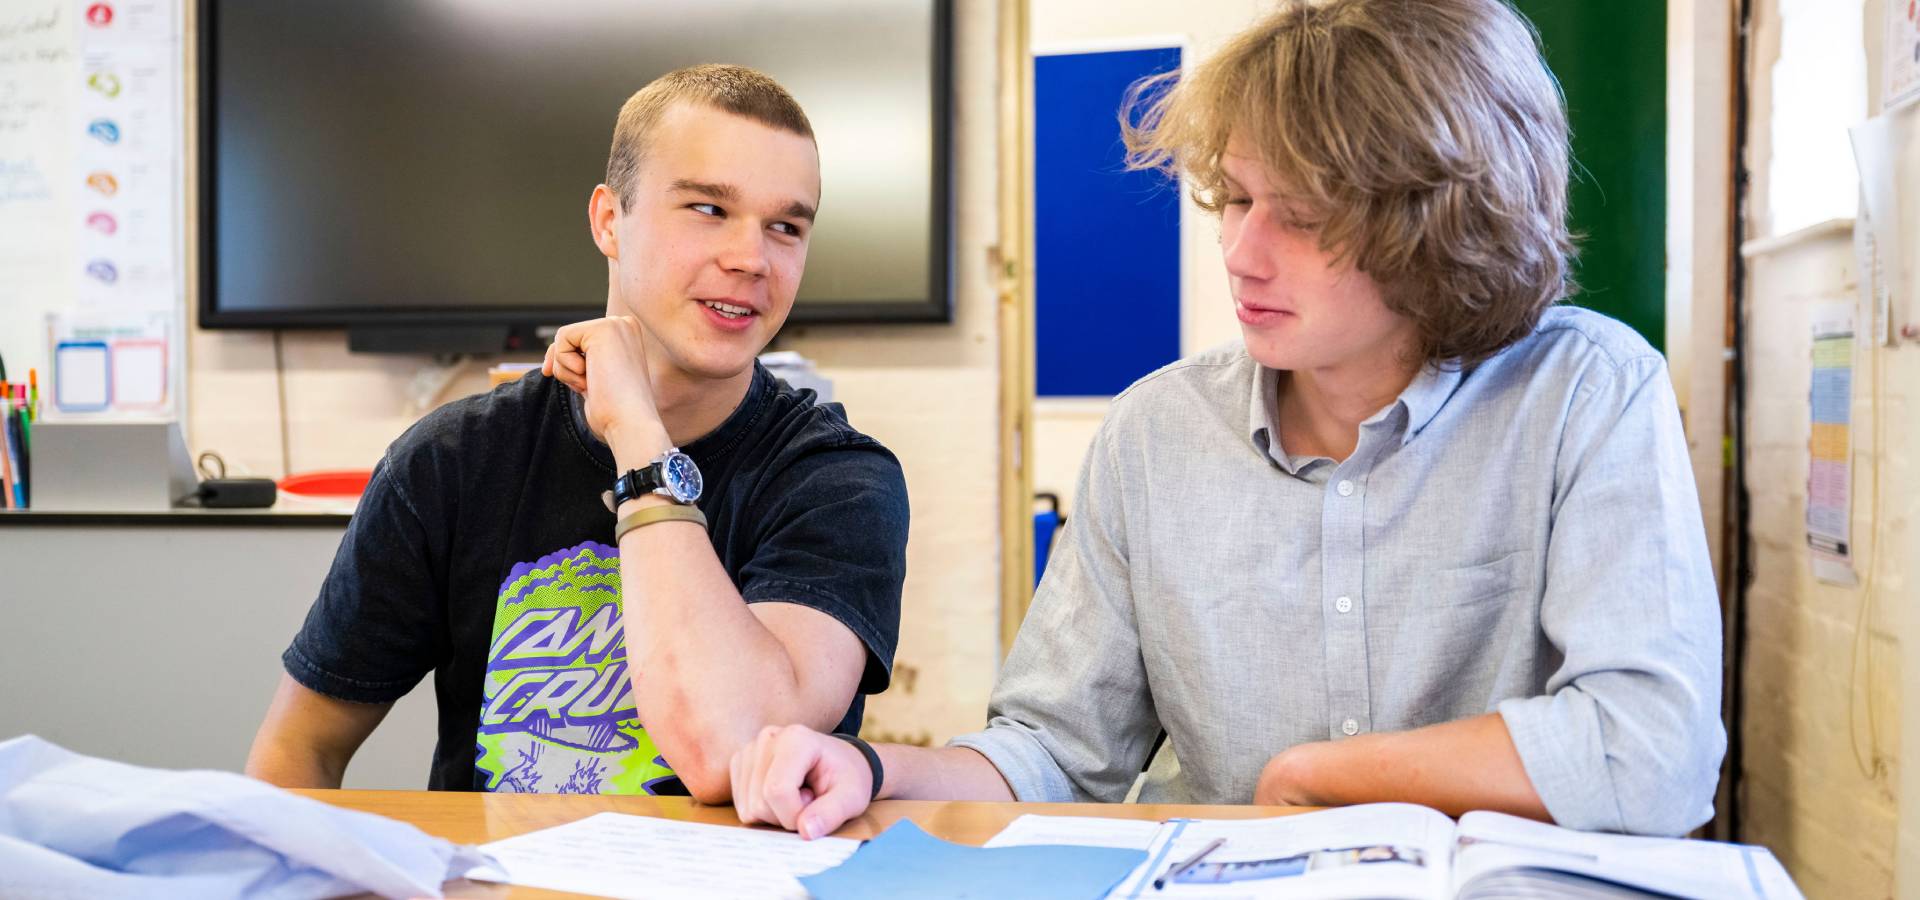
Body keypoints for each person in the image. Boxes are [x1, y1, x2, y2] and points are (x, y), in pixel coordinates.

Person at [731, 0, 1723, 838]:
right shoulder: (1155, 436)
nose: (1242, 253)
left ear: (1440, 226)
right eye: (1237, 199)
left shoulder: (1586, 392)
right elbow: (1055, 753)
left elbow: (1654, 752)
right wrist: (870, 772)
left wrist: (1323, 775)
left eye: (1302, 215)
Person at [245, 65, 910, 802]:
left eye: (785, 227)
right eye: (708, 209)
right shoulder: (451, 462)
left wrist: (636, 432)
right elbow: (295, 757)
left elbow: (734, 749)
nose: (752, 259)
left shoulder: (838, 481)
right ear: (608, 221)